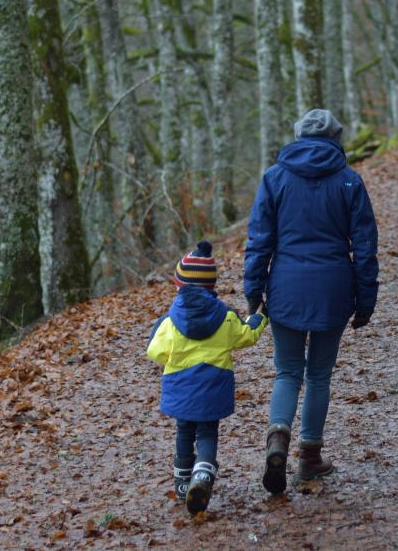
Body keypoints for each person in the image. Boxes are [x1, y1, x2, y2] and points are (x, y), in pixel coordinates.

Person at [244, 109, 379, 494]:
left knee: (287, 371)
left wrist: (254, 291)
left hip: (285, 287)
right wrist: (365, 298)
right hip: (333, 289)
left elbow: (258, 242)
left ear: (299, 136)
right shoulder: (350, 182)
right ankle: (309, 458)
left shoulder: (275, 179)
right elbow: (365, 247)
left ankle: (277, 440)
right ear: (336, 139)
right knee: (318, 375)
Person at [147, 241, 267, 514]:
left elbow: (154, 351)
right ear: (211, 287)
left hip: (181, 388)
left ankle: (182, 482)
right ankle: (202, 475)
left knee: (184, 430)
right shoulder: (225, 317)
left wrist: (174, 357)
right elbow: (246, 336)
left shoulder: (169, 322)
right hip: (213, 387)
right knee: (207, 431)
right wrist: (260, 320)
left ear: (179, 286)